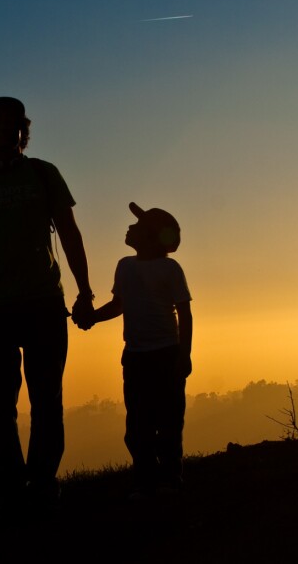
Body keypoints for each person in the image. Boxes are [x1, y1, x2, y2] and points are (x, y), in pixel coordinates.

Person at [0, 97, 94, 516]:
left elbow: (69, 233)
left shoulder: (44, 174)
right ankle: (12, 485)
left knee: (47, 397)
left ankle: (43, 481)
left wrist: (85, 291)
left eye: (12, 124)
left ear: (21, 131)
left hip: (45, 301)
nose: (5, 130)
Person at [82, 202, 193, 498]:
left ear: (151, 236)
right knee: (138, 423)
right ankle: (145, 480)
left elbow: (185, 313)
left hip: (166, 353)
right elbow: (119, 305)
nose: (129, 229)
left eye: (137, 226)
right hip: (135, 355)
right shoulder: (125, 266)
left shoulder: (170, 269)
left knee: (168, 420)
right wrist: (93, 316)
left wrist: (184, 354)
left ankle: (169, 478)